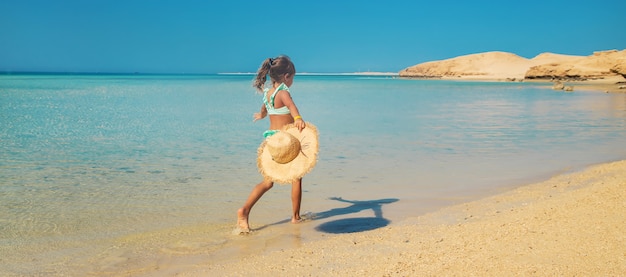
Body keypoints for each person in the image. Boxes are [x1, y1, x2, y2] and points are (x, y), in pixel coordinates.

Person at [237, 55, 318, 233]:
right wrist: (298, 119)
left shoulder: (268, 93)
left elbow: (265, 109)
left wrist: (261, 116)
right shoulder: (283, 92)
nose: (293, 81)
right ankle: (295, 217)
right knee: (297, 177)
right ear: (287, 76)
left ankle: (244, 210)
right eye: (293, 77)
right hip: (285, 140)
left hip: (272, 142)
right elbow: (292, 106)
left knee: (267, 182)